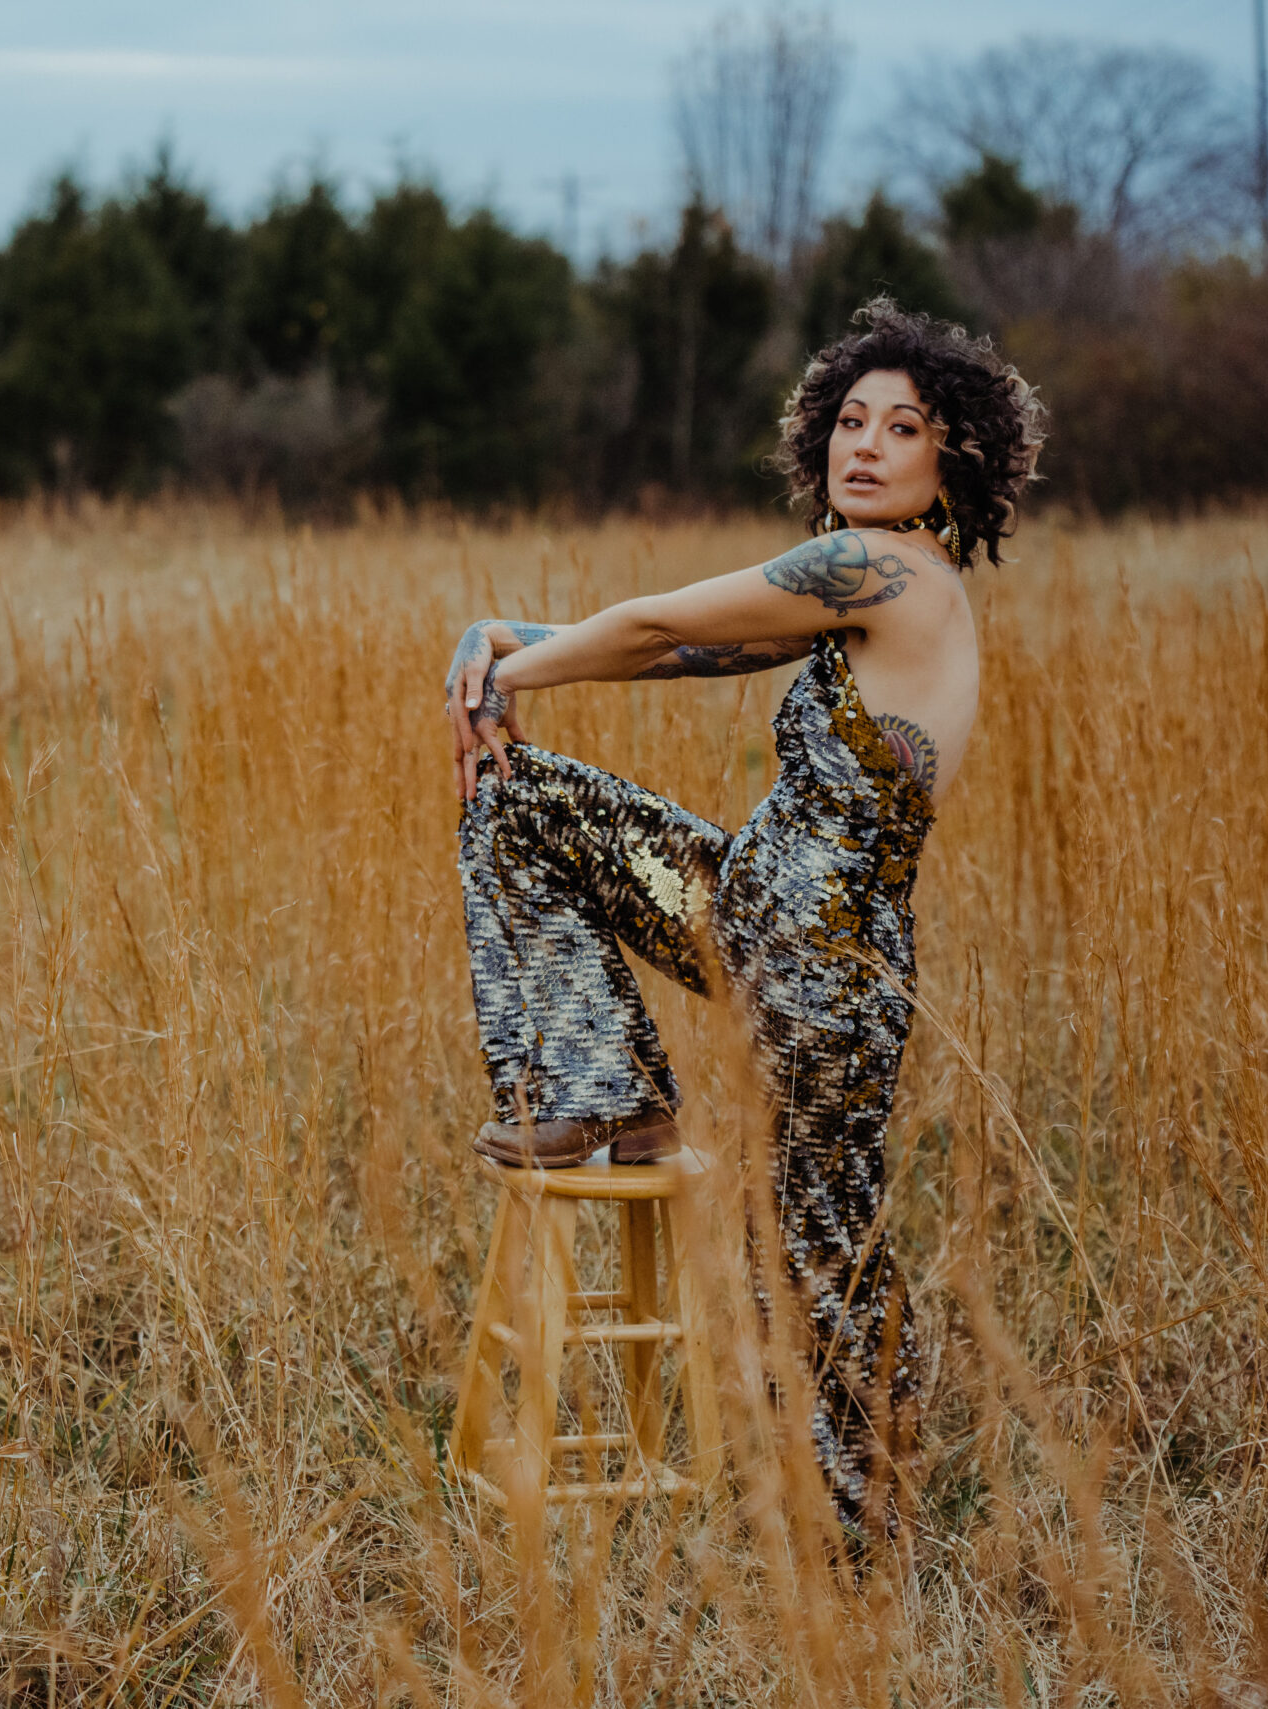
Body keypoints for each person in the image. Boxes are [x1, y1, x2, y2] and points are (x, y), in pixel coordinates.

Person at [444, 297, 1045, 1541]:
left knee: (816, 1253)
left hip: (826, 978)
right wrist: (515, 635)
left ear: (953, 462)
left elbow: (663, 621)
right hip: (743, 919)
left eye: (904, 428)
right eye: (849, 421)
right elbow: (684, 656)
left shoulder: (885, 570)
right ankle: (598, 1087)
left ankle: (854, 1534)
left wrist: (505, 675)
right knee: (521, 809)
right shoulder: (846, 584)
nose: (864, 445)